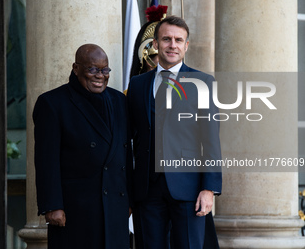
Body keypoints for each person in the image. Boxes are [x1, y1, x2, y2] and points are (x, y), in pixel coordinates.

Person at [127, 16, 222, 249]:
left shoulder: (203, 83)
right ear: (156, 44)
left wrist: (209, 189)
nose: (173, 45)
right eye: (167, 39)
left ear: (186, 45)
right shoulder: (138, 85)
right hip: (146, 189)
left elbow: (211, 140)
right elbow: (128, 139)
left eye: (179, 40)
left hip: (188, 188)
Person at [33, 44, 132, 249]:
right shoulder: (52, 103)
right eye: (92, 69)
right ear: (75, 68)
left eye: (105, 70)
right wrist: (52, 206)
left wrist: (129, 199)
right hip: (76, 209)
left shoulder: (119, 100)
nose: (100, 76)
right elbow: (46, 160)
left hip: (115, 205)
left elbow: (125, 152)